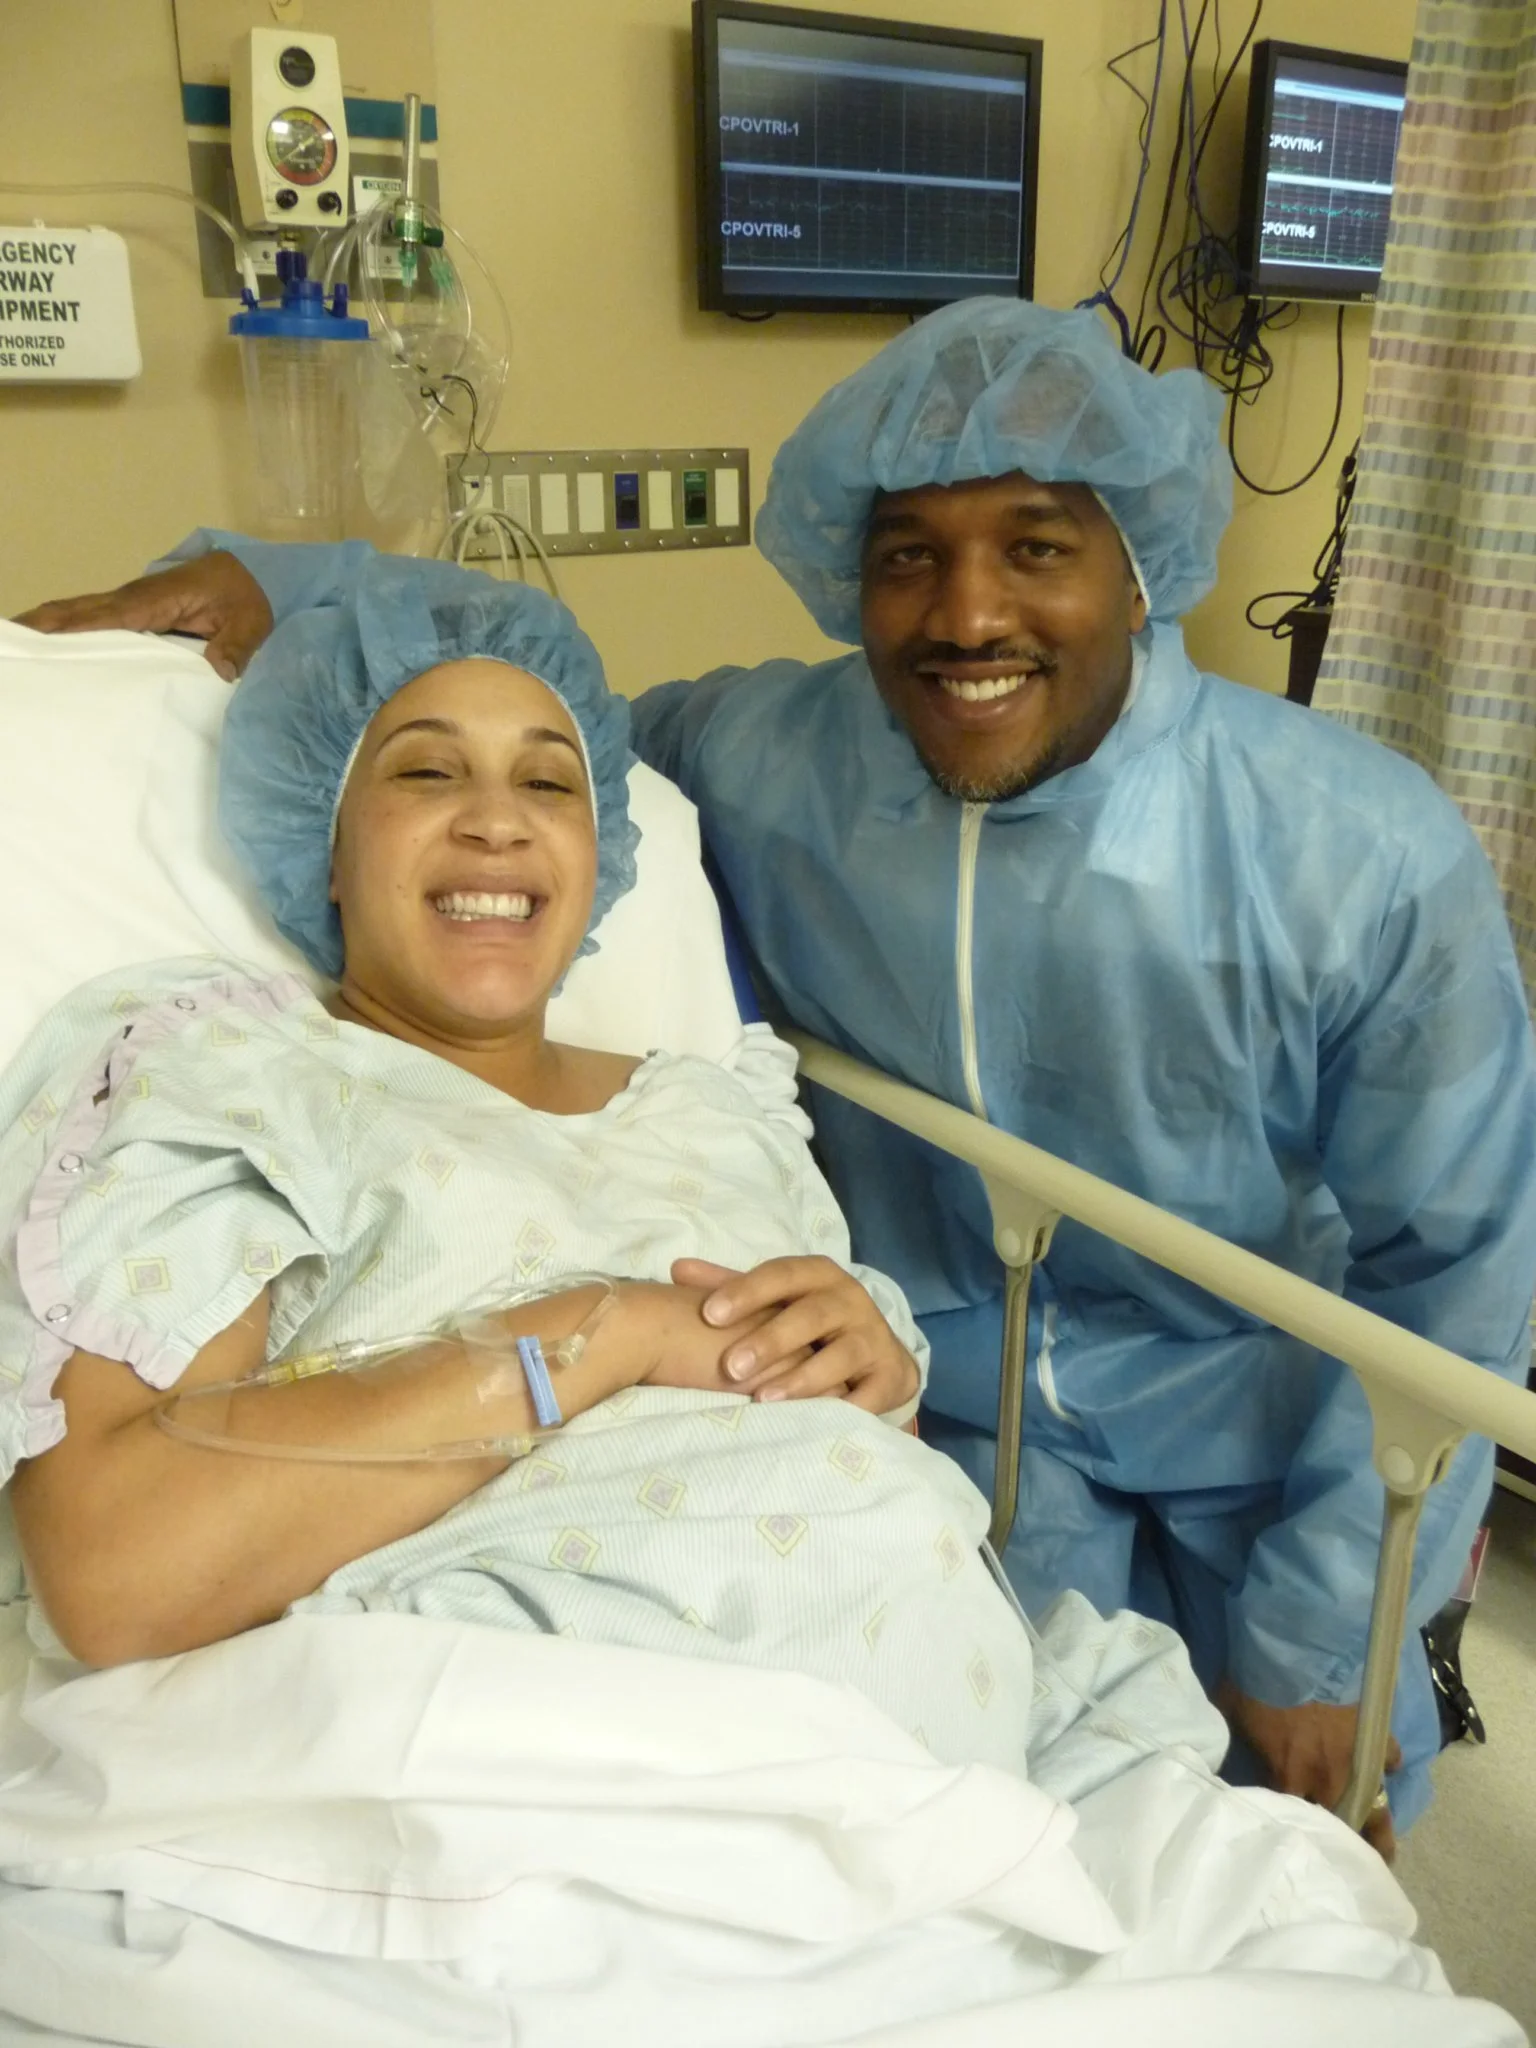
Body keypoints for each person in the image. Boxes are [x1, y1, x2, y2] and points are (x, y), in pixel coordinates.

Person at [17, 297, 1536, 1853]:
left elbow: (1462, 1272)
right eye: (906, 558)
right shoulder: (779, 755)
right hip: (976, 1433)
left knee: (1311, 1823)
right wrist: (292, 580)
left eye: (1036, 545)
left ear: (1137, 564)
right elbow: (526, 708)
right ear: (848, 583)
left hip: (1280, 1445)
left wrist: (1329, 1621)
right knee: (1086, 1817)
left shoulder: (1359, 850)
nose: (965, 617)